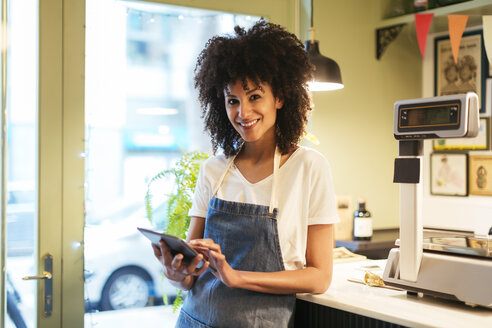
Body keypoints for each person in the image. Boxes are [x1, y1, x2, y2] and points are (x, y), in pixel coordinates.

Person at [152, 20, 339, 328]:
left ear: (279, 97)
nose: (243, 113)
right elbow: (191, 273)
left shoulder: (308, 168)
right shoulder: (213, 170)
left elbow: (319, 277)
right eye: (232, 100)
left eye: (254, 96)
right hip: (195, 321)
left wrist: (237, 278)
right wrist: (177, 273)